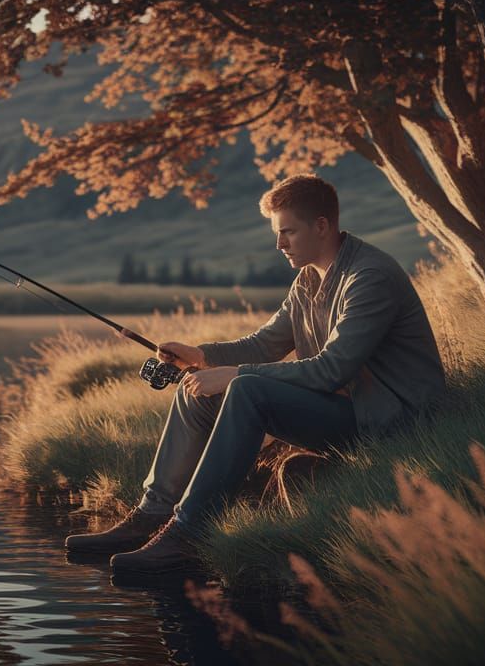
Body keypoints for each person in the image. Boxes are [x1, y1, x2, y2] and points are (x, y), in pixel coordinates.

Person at [65, 174, 447, 575]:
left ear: (321, 225)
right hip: (348, 409)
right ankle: (149, 516)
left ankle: (187, 534)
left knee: (247, 391)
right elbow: (265, 344)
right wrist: (200, 356)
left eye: (287, 232)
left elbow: (333, 368)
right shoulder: (308, 279)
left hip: (391, 422)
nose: (279, 244)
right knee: (196, 390)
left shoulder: (368, 277)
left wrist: (233, 375)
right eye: (277, 233)